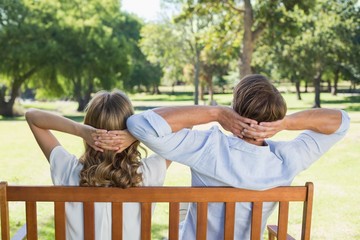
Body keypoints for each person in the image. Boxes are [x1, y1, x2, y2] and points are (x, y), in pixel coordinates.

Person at [96, 74, 350, 240]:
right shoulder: (287, 159)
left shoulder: (209, 148)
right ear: (274, 117)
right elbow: (341, 122)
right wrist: (287, 123)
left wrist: (217, 114)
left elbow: (139, 124)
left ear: (235, 109)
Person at [25, 90, 170, 240]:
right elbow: (186, 124)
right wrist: (136, 133)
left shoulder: (68, 170)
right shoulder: (147, 173)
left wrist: (80, 130)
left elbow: (32, 116)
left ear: (89, 128)